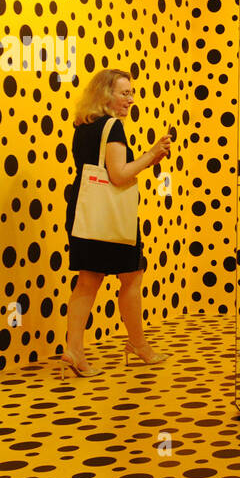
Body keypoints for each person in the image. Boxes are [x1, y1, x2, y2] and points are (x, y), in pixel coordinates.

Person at [60, 68, 171, 377]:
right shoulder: (113, 127)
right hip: (112, 217)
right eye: (125, 93)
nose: (131, 99)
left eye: (131, 93)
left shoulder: (83, 126)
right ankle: (138, 344)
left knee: (87, 281)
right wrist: (152, 155)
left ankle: (74, 350)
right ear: (105, 94)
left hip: (85, 212)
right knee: (132, 277)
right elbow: (119, 174)